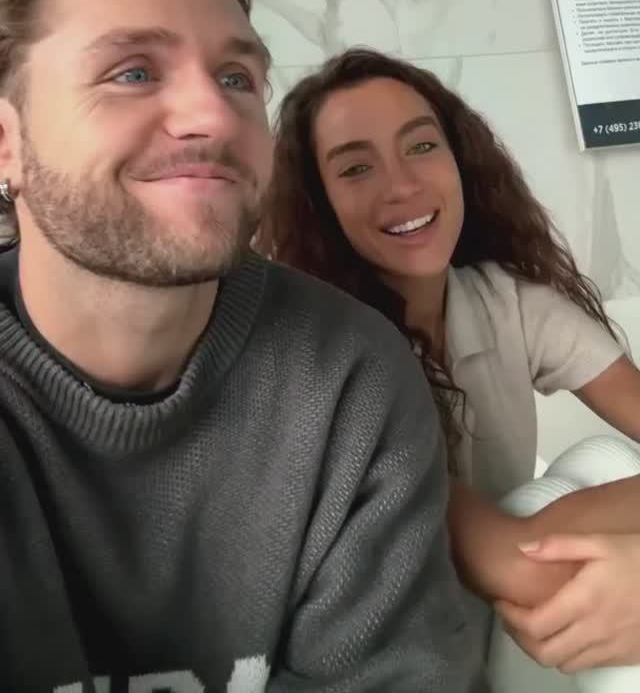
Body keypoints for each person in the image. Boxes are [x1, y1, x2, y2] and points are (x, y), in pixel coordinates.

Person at [0, 0, 485, 693]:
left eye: (236, 78)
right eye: (133, 72)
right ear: (6, 142)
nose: (213, 115)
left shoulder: (351, 375)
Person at [259, 46, 640, 672]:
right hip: (398, 660)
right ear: (320, 202)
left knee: (601, 460)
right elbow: (519, 559)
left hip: (500, 609)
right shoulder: (330, 361)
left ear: (460, 159)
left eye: (421, 146)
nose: (403, 185)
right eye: (356, 168)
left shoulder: (508, 304)